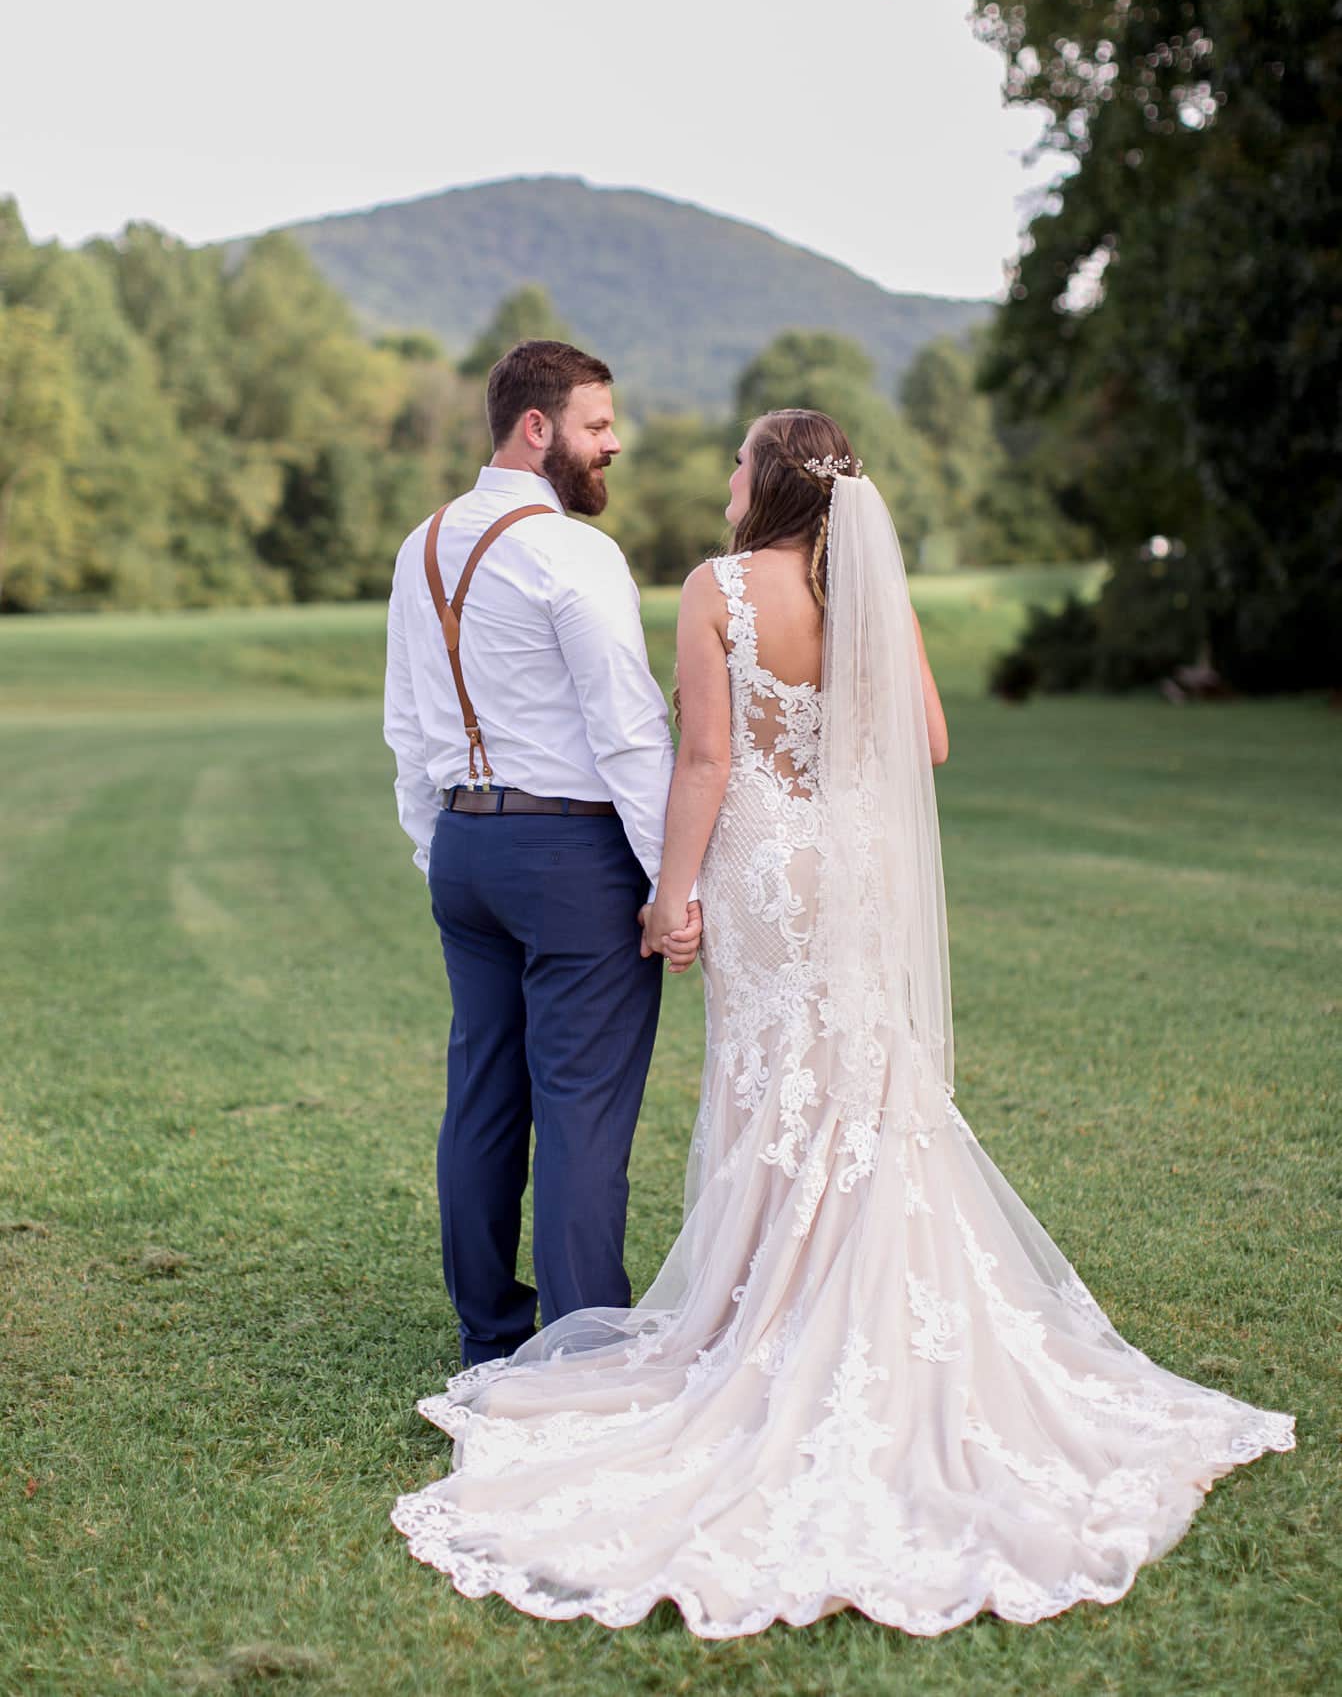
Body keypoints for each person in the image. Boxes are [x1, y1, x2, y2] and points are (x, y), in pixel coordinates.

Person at [391, 407, 1294, 1637]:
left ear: (770, 480)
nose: (724, 475)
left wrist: (669, 895)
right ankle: (859, 1300)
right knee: (861, 1079)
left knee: (775, 1083)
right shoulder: (866, 586)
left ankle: (775, 1309)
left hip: (766, 872)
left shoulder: (717, 589)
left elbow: (702, 763)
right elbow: (929, 739)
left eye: (738, 459)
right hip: (856, 869)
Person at [383, 339, 701, 1371]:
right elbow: (629, 734)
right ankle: (580, 1356)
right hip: (572, 855)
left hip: (466, 847)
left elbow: (405, 726)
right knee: (581, 1110)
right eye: (597, 425)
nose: (613, 444)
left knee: (482, 1096)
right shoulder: (573, 553)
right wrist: (673, 883)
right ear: (537, 426)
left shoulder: (421, 545)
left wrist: (442, 848)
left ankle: (488, 1337)